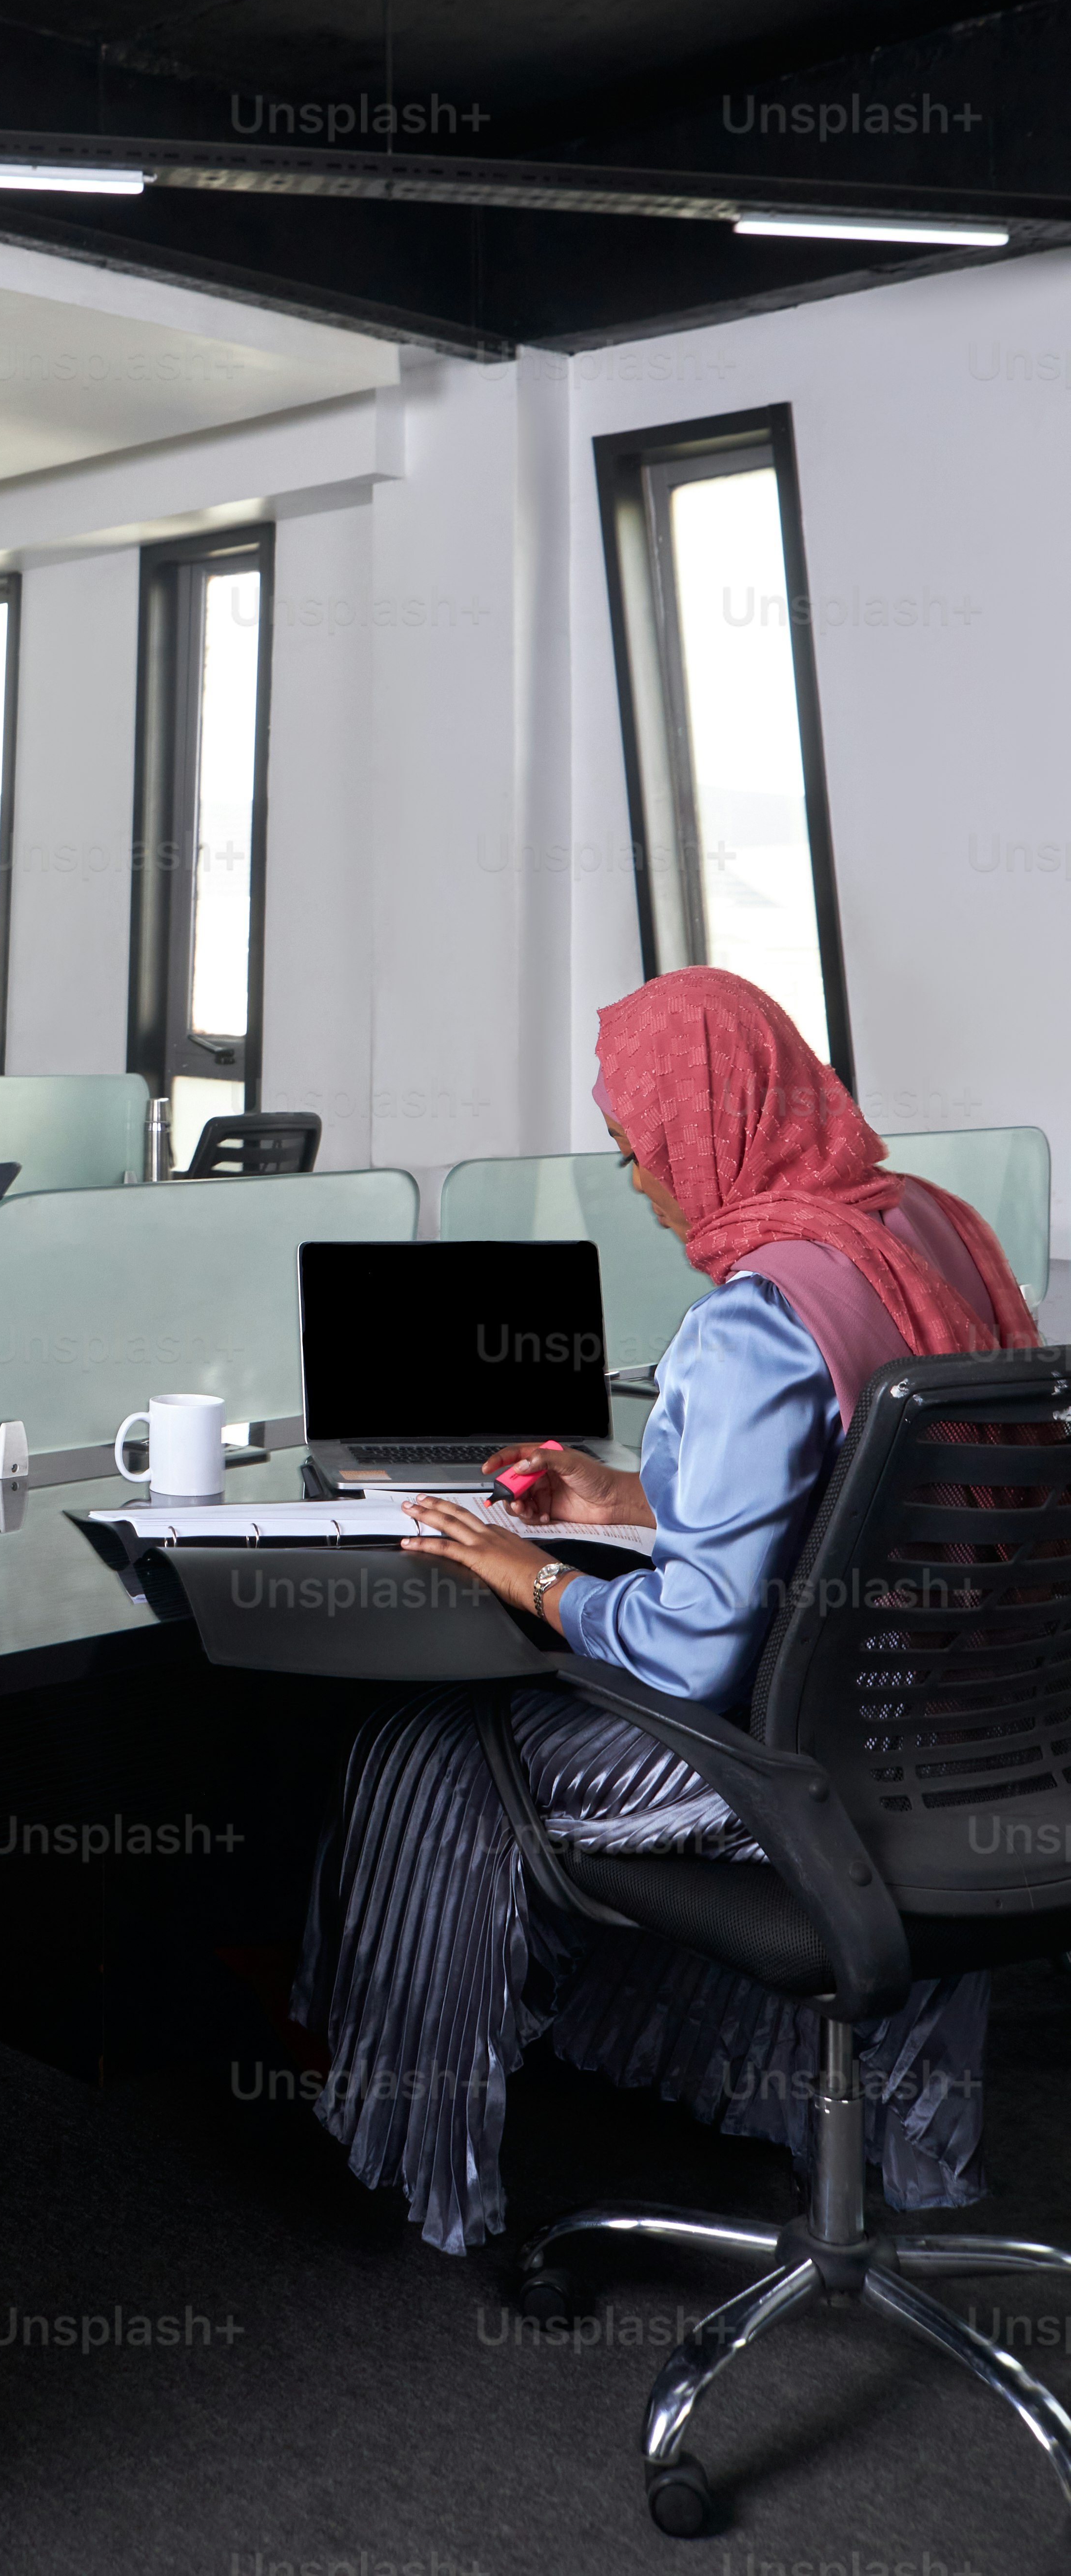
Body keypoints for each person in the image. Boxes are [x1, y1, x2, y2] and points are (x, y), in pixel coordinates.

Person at [293, 965, 1039, 2256]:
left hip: (808, 1761)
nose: (639, 1184)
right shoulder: (931, 1232)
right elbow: (855, 1498)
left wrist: (529, 1575)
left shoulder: (757, 1315)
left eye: (643, 1153)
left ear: (713, 1132)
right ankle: (777, 2109)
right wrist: (631, 1495)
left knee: (424, 1748)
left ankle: (423, 2167)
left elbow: (692, 1651)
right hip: (973, 1739)